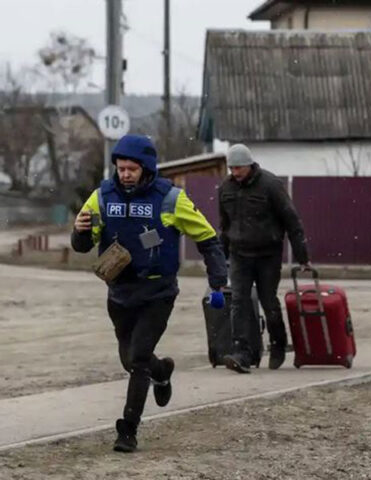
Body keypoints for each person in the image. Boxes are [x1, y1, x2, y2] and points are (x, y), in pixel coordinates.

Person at [71, 134, 227, 453]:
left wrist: (218, 279)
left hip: (158, 292)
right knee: (130, 361)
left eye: (132, 168)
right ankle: (162, 371)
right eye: (121, 168)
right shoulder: (102, 196)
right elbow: (83, 244)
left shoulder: (170, 198)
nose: (125, 174)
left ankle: (128, 429)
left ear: (146, 168)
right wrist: (79, 231)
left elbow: (208, 239)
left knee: (138, 357)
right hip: (119, 292)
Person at [219, 144, 310, 374]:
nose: (235, 172)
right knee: (239, 301)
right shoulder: (225, 188)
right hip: (239, 254)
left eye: (239, 168)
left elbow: (292, 220)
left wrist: (302, 257)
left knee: (268, 301)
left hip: (268, 254)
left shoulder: (270, 185)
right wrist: (220, 260)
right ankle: (242, 351)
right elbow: (224, 226)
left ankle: (278, 343)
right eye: (232, 168)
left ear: (249, 165)